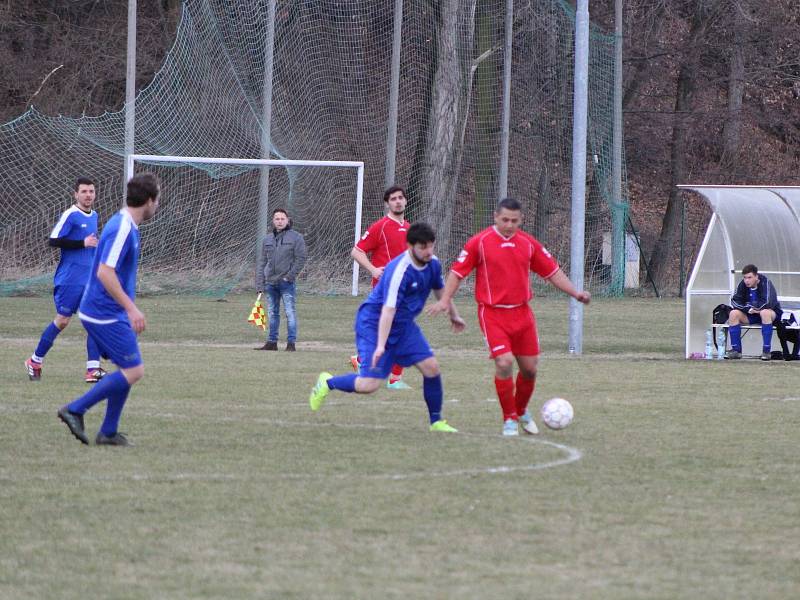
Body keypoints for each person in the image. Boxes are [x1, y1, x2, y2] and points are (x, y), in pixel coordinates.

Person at [427, 197, 591, 437]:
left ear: (521, 220)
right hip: (492, 313)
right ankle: (509, 419)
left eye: (514, 221)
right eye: (505, 220)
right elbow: (457, 273)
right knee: (504, 362)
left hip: (523, 314)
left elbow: (553, 273)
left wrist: (576, 293)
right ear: (495, 217)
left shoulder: (528, 244)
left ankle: (521, 410)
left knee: (530, 370)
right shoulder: (479, 242)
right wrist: (444, 301)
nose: (509, 225)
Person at [309, 222, 464, 432]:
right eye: (423, 247)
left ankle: (436, 422)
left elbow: (440, 291)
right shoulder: (399, 270)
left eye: (431, 246)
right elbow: (387, 311)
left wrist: (454, 316)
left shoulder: (433, 264)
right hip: (374, 324)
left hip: (403, 327)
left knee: (431, 367)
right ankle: (327, 383)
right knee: (369, 385)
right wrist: (381, 346)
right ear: (410, 246)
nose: (428, 251)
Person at [56, 173, 161, 446]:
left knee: (126, 368)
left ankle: (109, 432)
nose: (157, 205)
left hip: (110, 311)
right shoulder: (122, 227)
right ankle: (75, 409)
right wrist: (132, 309)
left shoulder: (127, 225)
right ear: (149, 201)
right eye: (157, 200)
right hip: (103, 311)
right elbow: (104, 272)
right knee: (134, 370)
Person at [25, 177, 107, 383]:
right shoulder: (71, 214)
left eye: (91, 191)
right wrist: (82, 243)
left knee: (94, 322)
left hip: (87, 281)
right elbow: (53, 240)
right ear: (76, 194)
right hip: (70, 280)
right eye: (84, 191)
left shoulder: (94, 215)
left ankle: (92, 369)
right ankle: (34, 361)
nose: (88, 195)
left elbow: (90, 246)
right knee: (62, 321)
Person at [350, 185, 412, 389]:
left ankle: (362, 360)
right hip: (384, 288)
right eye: (393, 199)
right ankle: (394, 379)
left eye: (400, 198)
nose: (397, 201)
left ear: (405, 201)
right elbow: (357, 251)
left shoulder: (410, 228)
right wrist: (373, 269)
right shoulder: (381, 226)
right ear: (387, 203)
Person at [255, 208, 307, 351]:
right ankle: (272, 342)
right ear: (273, 221)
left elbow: (301, 259)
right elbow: (262, 262)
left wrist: (289, 277)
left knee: (290, 312)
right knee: (272, 313)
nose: (280, 221)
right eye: (277, 219)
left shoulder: (296, 237)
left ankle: (291, 343)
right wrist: (260, 283)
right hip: (270, 283)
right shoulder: (267, 239)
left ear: (287, 220)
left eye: (282, 219)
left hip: (286, 283)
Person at [726, 264, 781, 361]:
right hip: (751, 314)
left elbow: (768, 302)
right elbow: (734, 301)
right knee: (733, 313)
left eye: (750, 277)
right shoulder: (742, 284)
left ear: (756, 276)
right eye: (745, 278)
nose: (747, 280)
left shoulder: (766, 283)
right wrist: (748, 309)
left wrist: (755, 308)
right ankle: (736, 351)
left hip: (770, 314)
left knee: (765, 312)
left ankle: (766, 351)